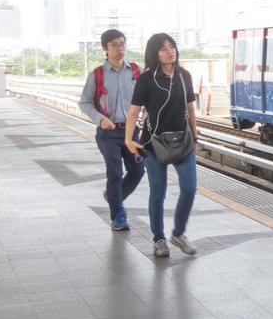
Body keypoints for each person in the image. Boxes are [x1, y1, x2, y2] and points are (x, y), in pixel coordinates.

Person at [125, 33, 199, 258]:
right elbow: (134, 111)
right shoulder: (147, 79)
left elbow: (190, 109)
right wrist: (129, 139)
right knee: (158, 193)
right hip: (153, 144)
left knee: (189, 187)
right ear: (154, 54)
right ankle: (159, 239)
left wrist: (195, 138)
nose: (170, 51)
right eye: (163, 48)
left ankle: (178, 234)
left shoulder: (184, 75)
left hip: (183, 142)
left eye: (172, 46)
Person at [78, 29, 144, 232]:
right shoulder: (97, 75)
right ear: (105, 48)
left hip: (131, 132)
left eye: (122, 44)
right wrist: (100, 119)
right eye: (115, 45)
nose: (120, 48)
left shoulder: (135, 71)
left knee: (138, 170)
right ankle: (118, 216)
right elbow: (85, 102)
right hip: (108, 133)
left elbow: (146, 97)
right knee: (115, 173)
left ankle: (113, 196)